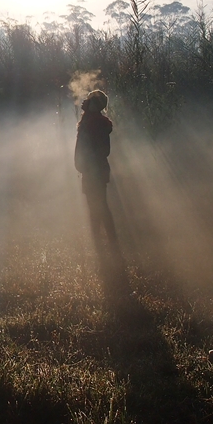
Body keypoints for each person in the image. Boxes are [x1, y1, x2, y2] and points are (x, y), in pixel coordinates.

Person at [74, 90, 127, 299]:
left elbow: (102, 150)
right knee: (96, 205)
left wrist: (88, 162)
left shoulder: (96, 123)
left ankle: (107, 240)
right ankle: (103, 240)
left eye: (92, 102)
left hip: (95, 170)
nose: (87, 103)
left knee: (99, 205)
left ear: (98, 105)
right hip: (91, 170)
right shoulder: (91, 121)